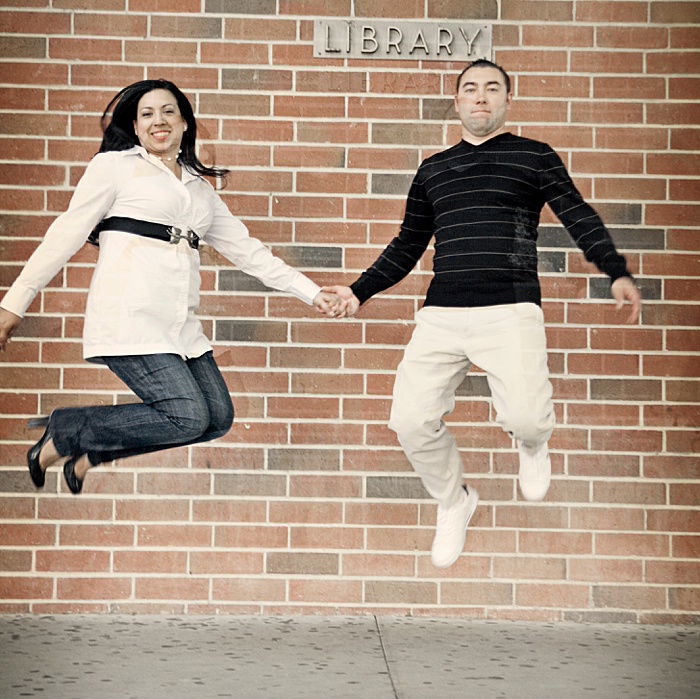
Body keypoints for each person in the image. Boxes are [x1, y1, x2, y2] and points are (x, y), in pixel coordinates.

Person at [325, 59, 641, 569]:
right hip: (442, 315)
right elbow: (408, 243)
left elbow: (577, 215)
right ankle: (454, 501)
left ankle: (533, 445)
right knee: (409, 420)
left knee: (526, 418)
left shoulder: (534, 157)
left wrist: (615, 270)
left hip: (510, 309)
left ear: (506, 100)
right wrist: (359, 291)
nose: (480, 97)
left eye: (492, 88)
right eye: (470, 88)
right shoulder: (434, 169)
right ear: (457, 101)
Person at [0, 79, 344, 494]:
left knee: (216, 418)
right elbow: (64, 236)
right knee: (186, 415)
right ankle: (65, 429)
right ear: (136, 125)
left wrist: (311, 291)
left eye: (167, 111)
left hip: (179, 325)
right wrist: (14, 303)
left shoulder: (199, 190)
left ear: (184, 122)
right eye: (146, 114)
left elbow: (250, 252)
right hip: (130, 316)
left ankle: (91, 454)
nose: (157, 120)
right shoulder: (115, 167)